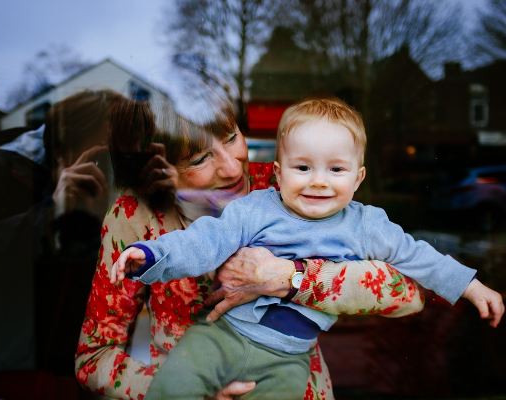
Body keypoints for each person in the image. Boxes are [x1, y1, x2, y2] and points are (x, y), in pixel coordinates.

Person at [112, 97, 505, 400]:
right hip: (221, 337)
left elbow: (416, 265)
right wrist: (150, 256)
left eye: (336, 170)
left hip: (288, 357)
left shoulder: (366, 225)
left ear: (358, 178)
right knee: (174, 384)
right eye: (303, 169)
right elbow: (204, 241)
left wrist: (470, 286)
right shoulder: (257, 206)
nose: (318, 181)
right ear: (279, 173)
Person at [0, 89, 167, 399]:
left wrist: (163, 208)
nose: (114, 169)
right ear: (61, 151)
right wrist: (48, 215)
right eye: (105, 155)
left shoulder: (125, 198)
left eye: (127, 158)